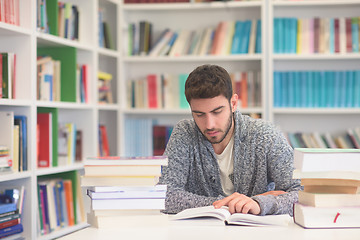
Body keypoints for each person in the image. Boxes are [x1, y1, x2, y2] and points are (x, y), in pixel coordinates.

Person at [158, 64, 302, 216]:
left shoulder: (265, 135)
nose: (209, 124)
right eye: (199, 114)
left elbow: (303, 193)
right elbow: (165, 196)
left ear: (233, 104)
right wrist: (237, 203)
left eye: (217, 112)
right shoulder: (184, 133)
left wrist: (260, 204)